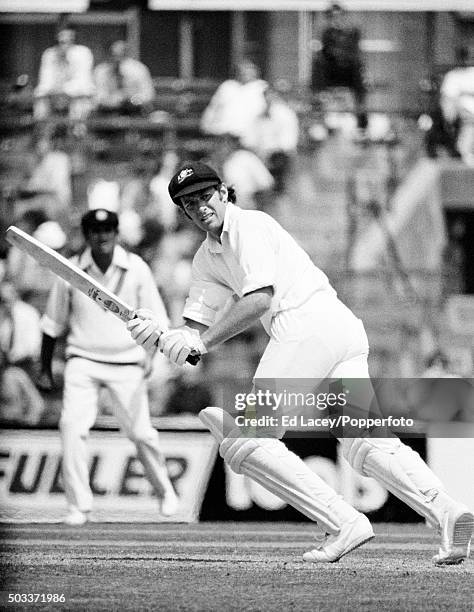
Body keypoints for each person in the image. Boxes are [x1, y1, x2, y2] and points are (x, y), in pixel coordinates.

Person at [128, 161, 474, 565]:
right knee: (365, 441)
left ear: (223, 193)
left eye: (205, 196)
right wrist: (159, 333)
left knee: (247, 441)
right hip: (338, 329)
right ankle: (449, 513)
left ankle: (343, 522)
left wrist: (199, 344)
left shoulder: (249, 226)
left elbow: (259, 299)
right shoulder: (207, 259)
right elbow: (192, 331)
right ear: (184, 212)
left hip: (305, 324)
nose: (200, 206)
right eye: (190, 203)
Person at [38, 208, 178, 525]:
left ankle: (165, 490)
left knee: (141, 434)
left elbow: (159, 318)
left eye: (108, 230)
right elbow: (51, 324)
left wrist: (150, 357)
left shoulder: (136, 268)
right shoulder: (72, 271)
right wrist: (45, 369)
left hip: (127, 361)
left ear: (116, 234)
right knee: (72, 428)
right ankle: (78, 506)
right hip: (82, 360)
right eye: (95, 231)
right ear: (86, 236)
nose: (102, 236)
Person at [311, 2, 368, 130]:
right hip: (333, 69)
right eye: (331, 16)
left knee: (357, 67)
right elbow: (327, 51)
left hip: (349, 69)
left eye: (337, 15)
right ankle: (317, 100)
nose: (335, 18)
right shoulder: (327, 33)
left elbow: (354, 50)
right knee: (318, 63)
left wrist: (341, 54)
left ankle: (361, 110)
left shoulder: (353, 31)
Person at [34, 25, 95, 120]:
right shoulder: (49, 54)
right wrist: (53, 93)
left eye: (69, 41)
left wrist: (65, 91)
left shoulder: (83, 53)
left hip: (77, 95)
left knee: (80, 104)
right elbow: (45, 81)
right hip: (53, 96)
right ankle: (43, 133)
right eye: (61, 42)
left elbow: (83, 81)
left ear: (74, 40)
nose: (64, 45)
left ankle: (77, 133)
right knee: (41, 104)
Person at [200, 59, 268, 142]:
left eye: (250, 71)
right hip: (225, 133)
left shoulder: (262, 87)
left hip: (252, 134)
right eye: (243, 71)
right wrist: (206, 125)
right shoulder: (227, 86)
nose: (246, 74)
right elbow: (214, 107)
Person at [94, 40, 155, 116]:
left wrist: (131, 99)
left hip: (135, 110)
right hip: (108, 111)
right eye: (113, 55)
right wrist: (111, 100)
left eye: (121, 55)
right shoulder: (100, 71)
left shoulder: (139, 69)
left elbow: (148, 94)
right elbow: (98, 96)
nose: (117, 59)